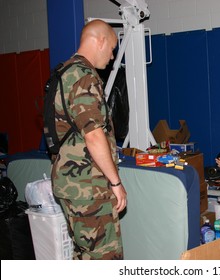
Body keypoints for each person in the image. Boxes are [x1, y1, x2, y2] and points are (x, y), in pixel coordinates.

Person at [51, 19, 127, 260]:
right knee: (105, 257)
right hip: (88, 186)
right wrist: (115, 182)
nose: (113, 56)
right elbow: (93, 135)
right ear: (100, 41)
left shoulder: (64, 72)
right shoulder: (83, 76)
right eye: (113, 48)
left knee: (85, 254)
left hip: (73, 184)